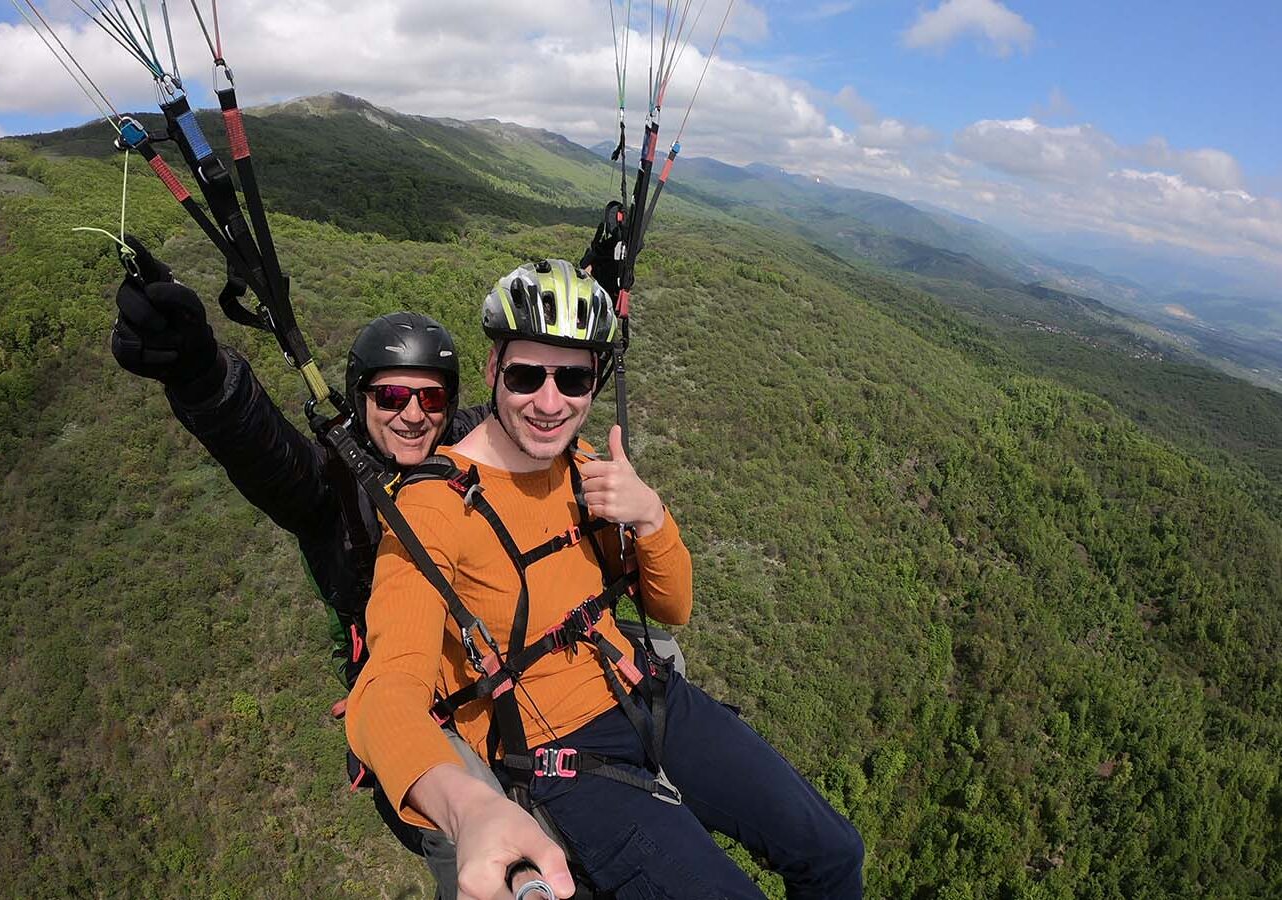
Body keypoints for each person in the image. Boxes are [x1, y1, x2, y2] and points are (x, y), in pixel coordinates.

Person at [346, 259, 865, 900]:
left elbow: (673, 608)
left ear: (595, 383)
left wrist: (651, 517)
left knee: (836, 853)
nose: (549, 401)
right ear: (491, 373)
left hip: (646, 694)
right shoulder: (432, 506)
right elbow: (384, 693)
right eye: (526, 375)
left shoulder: (588, 470)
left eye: (573, 378)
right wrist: (469, 809)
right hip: (553, 750)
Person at [108, 239, 485, 894]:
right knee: (475, 832)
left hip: (493, 681)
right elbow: (261, 446)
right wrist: (197, 372)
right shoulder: (333, 489)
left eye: (431, 398)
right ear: (360, 400)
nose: (412, 414)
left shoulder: (463, 451)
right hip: (413, 721)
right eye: (392, 395)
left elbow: (536, 407)